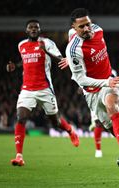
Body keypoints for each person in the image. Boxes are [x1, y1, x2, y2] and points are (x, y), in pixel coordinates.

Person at [66, 8, 119, 169]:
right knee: (113, 129)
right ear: (73, 28)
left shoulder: (98, 30)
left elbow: (77, 36)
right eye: (81, 27)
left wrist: (107, 82)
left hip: (110, 80)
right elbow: (80, 79)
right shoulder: (74, 49)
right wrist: (69, 58)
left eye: (88, 24)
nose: (86, 29)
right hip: (91, 90)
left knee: (111, 104)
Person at [7, 19, 79, 167]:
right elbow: (26, 60)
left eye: (36, 28)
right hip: (27, 89)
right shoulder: (21, 45)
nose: (33, 29)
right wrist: (16, 66)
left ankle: (70, 130)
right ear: (27, 30)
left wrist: (45, 50)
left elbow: (61, 59)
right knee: (21, 118)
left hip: (45, 89)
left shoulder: (47, 43)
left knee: (55, 121)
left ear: (39, 30)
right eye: (31, 27)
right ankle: (19, 156)